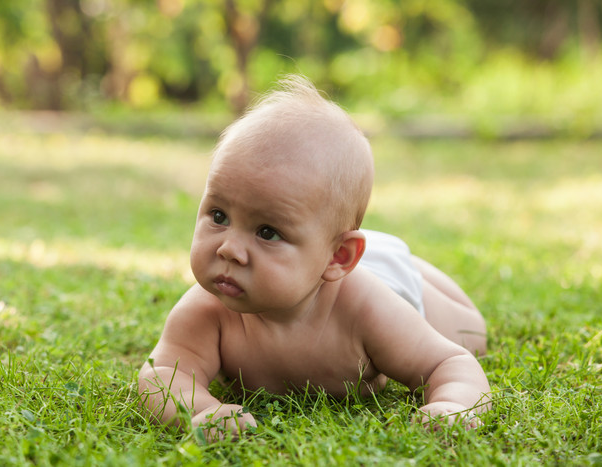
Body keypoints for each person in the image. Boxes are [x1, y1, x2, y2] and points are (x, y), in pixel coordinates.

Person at [138, 75, 490, 440]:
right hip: (327, 262)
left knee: (471, 334)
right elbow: (162, 374)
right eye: (219, 216)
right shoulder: (208, 308)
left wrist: (455, 405)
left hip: (391, 279)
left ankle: (409, 264)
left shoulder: (368, 309)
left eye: (267, 232)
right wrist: (203, 411)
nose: (229, 249)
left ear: (337, 256)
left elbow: (449, 363)